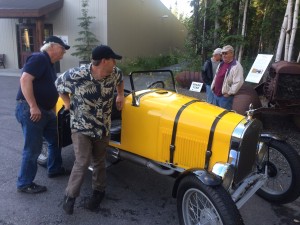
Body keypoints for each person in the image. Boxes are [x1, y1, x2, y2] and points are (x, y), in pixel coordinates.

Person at [55, 45, 125, 215]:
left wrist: (121, 95)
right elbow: (58, 84)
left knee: (100, 161)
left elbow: (121, 81)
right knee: (82, 161)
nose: (115, 63)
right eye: (112, 59)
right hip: (81, 126)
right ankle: (70, 197)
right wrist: (66, 102)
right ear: (104, 61)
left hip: (102, 126)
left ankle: (99, 192)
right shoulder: (77, 74)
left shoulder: (115, 72)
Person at [15, 36, 71, 194]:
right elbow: (25, 80)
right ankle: (24, 183)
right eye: (62, 48)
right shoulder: (39, 58)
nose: (64, 52)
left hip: (45, 111)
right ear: (52, 47)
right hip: (32, 110)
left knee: (56, 138)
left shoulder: (49, 64)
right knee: (33, 149)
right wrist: (33, 106)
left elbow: (51, 89)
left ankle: (54, 168)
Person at [211, 45, 244, 110]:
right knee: (215, 114)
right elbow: (216, 77)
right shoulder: (221, 64)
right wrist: (213, 87)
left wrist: (229, 93)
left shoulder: (236, 66)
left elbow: (239, 82)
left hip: (225, 97)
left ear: (231, 54)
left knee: (224, 117)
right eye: (222, 53)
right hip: (216, 94)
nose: (223, 55)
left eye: (226, 53)